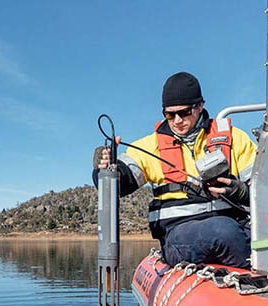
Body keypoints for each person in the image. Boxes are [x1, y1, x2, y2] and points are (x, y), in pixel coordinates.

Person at [92, 72, 256, 269]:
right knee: (223, 232)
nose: (177, 120)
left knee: (245, 233)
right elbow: (123, 179)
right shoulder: (149, 146)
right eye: (170, 114)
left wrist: (244, 193)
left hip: (237, 225)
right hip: (180, 234)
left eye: (184, 112)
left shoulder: (234, 138)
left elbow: (264, 190)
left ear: (200, 106)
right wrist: (107, 169)